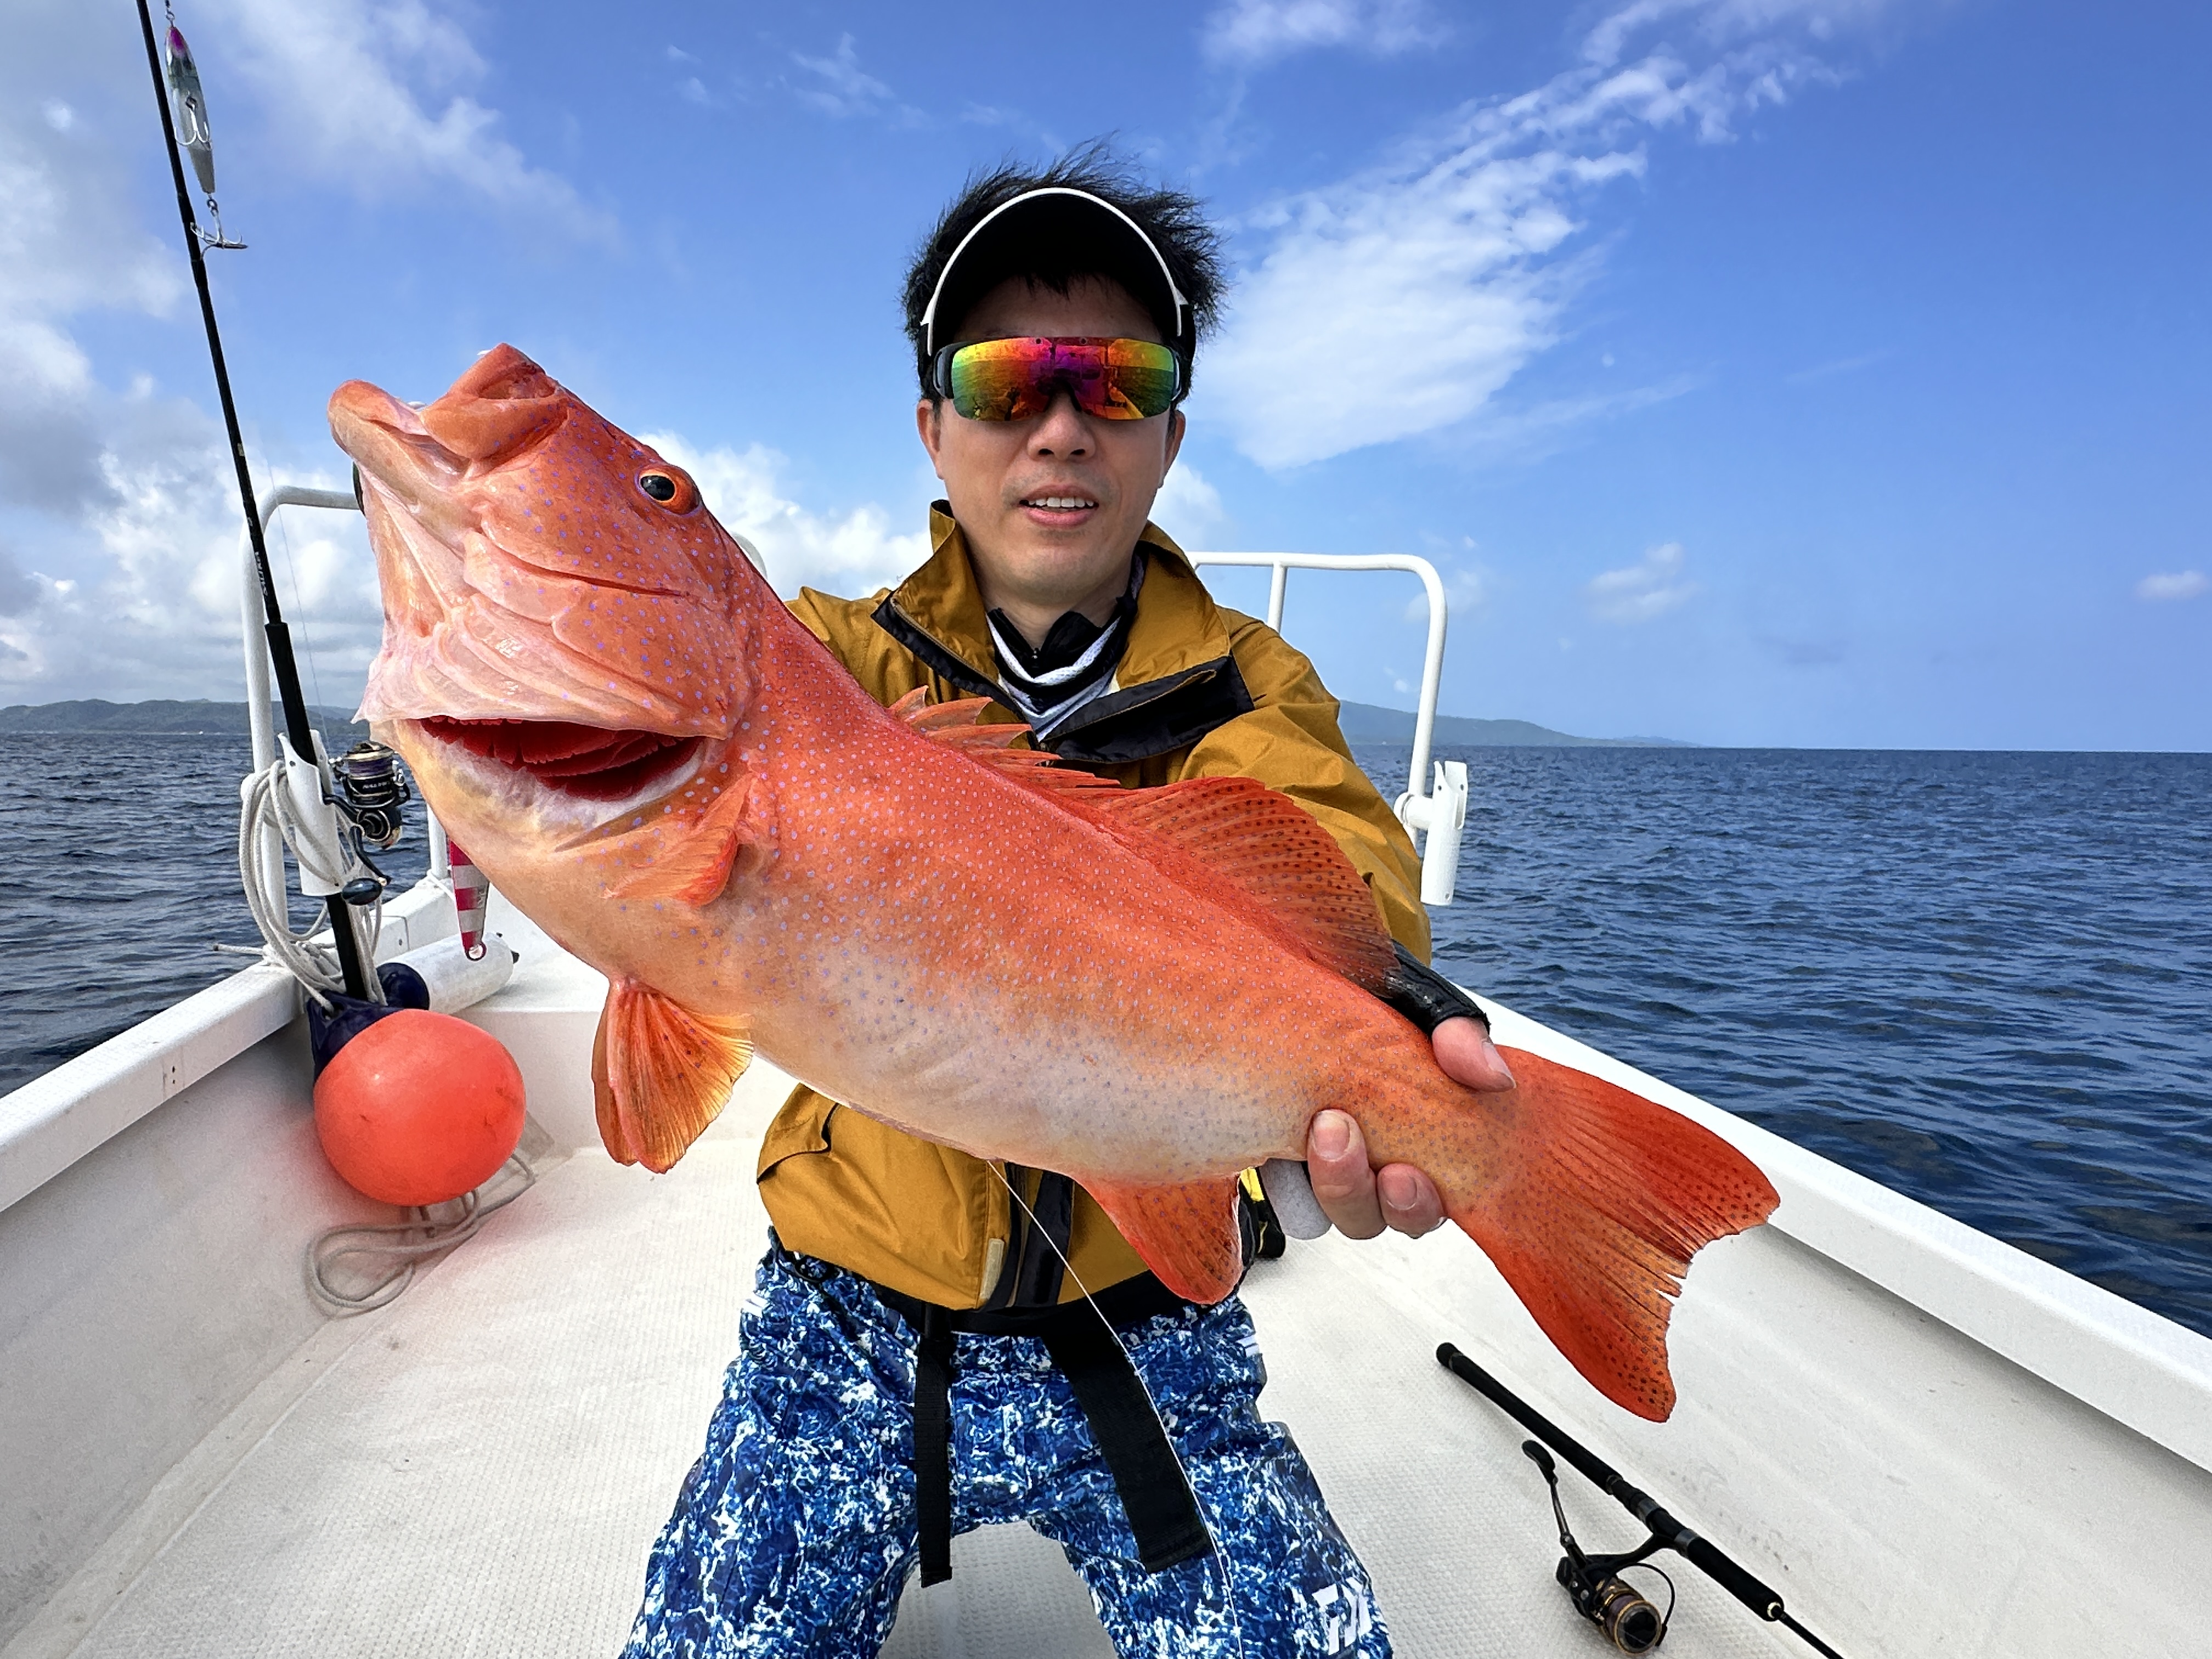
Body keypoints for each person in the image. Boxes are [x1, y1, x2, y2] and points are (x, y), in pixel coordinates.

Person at [624, 147, 1513, 1659]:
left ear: (1168, 434)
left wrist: (1392, 1034)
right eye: (1002, 378)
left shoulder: (1254, 684)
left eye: (1113, 381)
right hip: (847, 1305)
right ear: (933, 423)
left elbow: (1333, 870)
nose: (1057, 425)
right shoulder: (823, 661)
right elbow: (675, 674)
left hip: (1144, 1326)